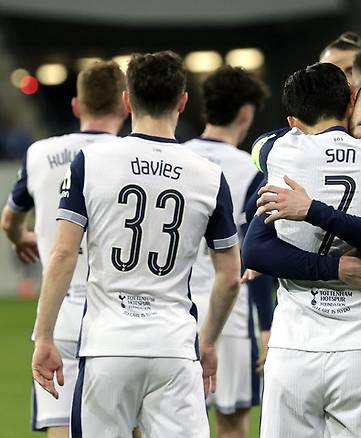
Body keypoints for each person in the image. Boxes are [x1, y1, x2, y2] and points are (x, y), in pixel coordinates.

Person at [30, 51, 242, 438]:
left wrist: (44, 336)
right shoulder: (210, 176)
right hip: (174, 347)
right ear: (182, 101)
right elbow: (229, 277)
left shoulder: (90, 162)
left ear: (127, 100)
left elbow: (63, 254)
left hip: (108, 345)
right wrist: (209, 341)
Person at [243, 63, 361, 437]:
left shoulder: (284, 150)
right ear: (351, 103)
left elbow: (262, 149)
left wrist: (312, 208)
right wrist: (337, 268)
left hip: (299, 348)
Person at [1, 60, 127, 438]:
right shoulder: (133, 156)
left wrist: (20, 238)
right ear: (125, 105)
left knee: (61, 426)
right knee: (129, 425)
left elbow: (9, 219)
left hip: (62, 308)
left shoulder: (40, 153)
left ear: (76, 106)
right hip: (121, 309)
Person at [182, 65, 272, 438]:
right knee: (232, 423)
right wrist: (266, 325)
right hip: (233, 311)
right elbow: (257, 251)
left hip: (176, 306)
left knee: (171, 421)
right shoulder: (252, 170)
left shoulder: (177, 157)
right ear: (246, 112)